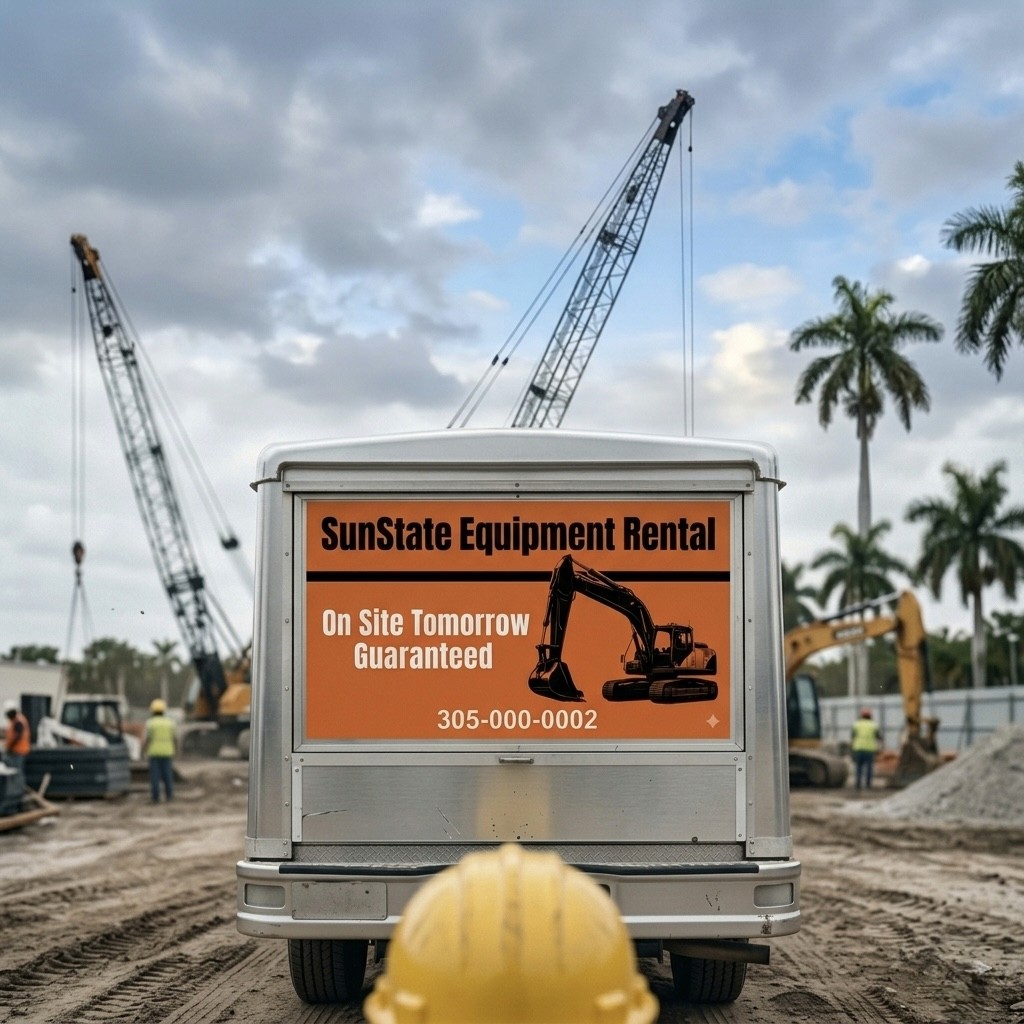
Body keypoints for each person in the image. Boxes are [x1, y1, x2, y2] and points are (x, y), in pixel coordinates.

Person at [144, 698, 177, 803]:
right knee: (168, 776)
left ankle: (156, 798)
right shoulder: (170, 723)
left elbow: (147, 739)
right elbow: (175, 738)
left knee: (155, 777)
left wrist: (143, 750)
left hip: (154, 753)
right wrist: (176, 750)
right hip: (167, 752)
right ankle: (169, 796)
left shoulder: (150, 723)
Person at [850, 707, 882, 791]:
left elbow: (852, 736)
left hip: (858, 749)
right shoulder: (874, 725)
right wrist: (880, 747)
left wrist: (852, 748)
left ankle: (858, 784)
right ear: (870, 715)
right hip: (869, 749)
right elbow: (878, 737)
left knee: (858, 768)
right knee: (869, 768)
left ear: (861, 715)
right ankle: (868, 785)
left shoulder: (856, 724)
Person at [3, 699, 31, 773]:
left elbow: (17, 736)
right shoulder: (14, 720)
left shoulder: (18, 721)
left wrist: (10, 747)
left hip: (18, 751)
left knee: (16, 772)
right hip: (15, 751)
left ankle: (17, 785)